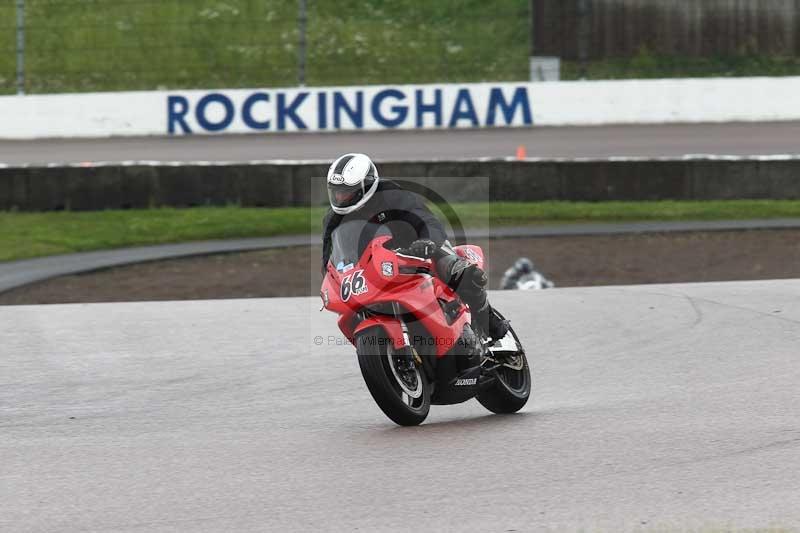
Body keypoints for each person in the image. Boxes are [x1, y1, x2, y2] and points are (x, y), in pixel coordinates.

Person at [321, 153, 509, 341]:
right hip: (373, 267)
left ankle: (489, 322)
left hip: (417, 250)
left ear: (367, 185)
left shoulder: (393, 196)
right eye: (336, 192)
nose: (340, 197)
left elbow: (426, 221)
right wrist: (333, 280)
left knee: (458, 271)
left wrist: (427, 242)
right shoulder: (333, 219)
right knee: (353, 310)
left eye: (347, 192)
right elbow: (328, 257)